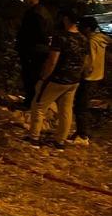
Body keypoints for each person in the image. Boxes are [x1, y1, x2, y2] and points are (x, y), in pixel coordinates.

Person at [26, 9, 89, 150]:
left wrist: (44, 77)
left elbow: (52, 61)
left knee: (39, 105)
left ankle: (34, 139)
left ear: (65, 18)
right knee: (66, 110)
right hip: (74, 80)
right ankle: (60, 142)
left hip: (58, 79)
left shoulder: (60, 37)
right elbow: (85, 61)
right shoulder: (84, 39)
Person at [71, 17, 110, 145]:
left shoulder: (91, 41)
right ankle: (81, 132)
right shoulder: (100, 39)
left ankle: (83, 135)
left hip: (88, 78)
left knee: (80, 106)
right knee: (83, 105)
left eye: (81, 26)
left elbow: (89, 61)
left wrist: (81, 73)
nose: (79, 28)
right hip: (97, 76)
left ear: (87, 28)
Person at [15, 0, 52, 109]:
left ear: (29, 0)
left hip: (33, 50)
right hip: (39, 50)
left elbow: (38, 33)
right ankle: (34, 101)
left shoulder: (34, 14)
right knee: (35, 77)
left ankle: (30, 103)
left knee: (30, 77)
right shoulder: (44, 11)